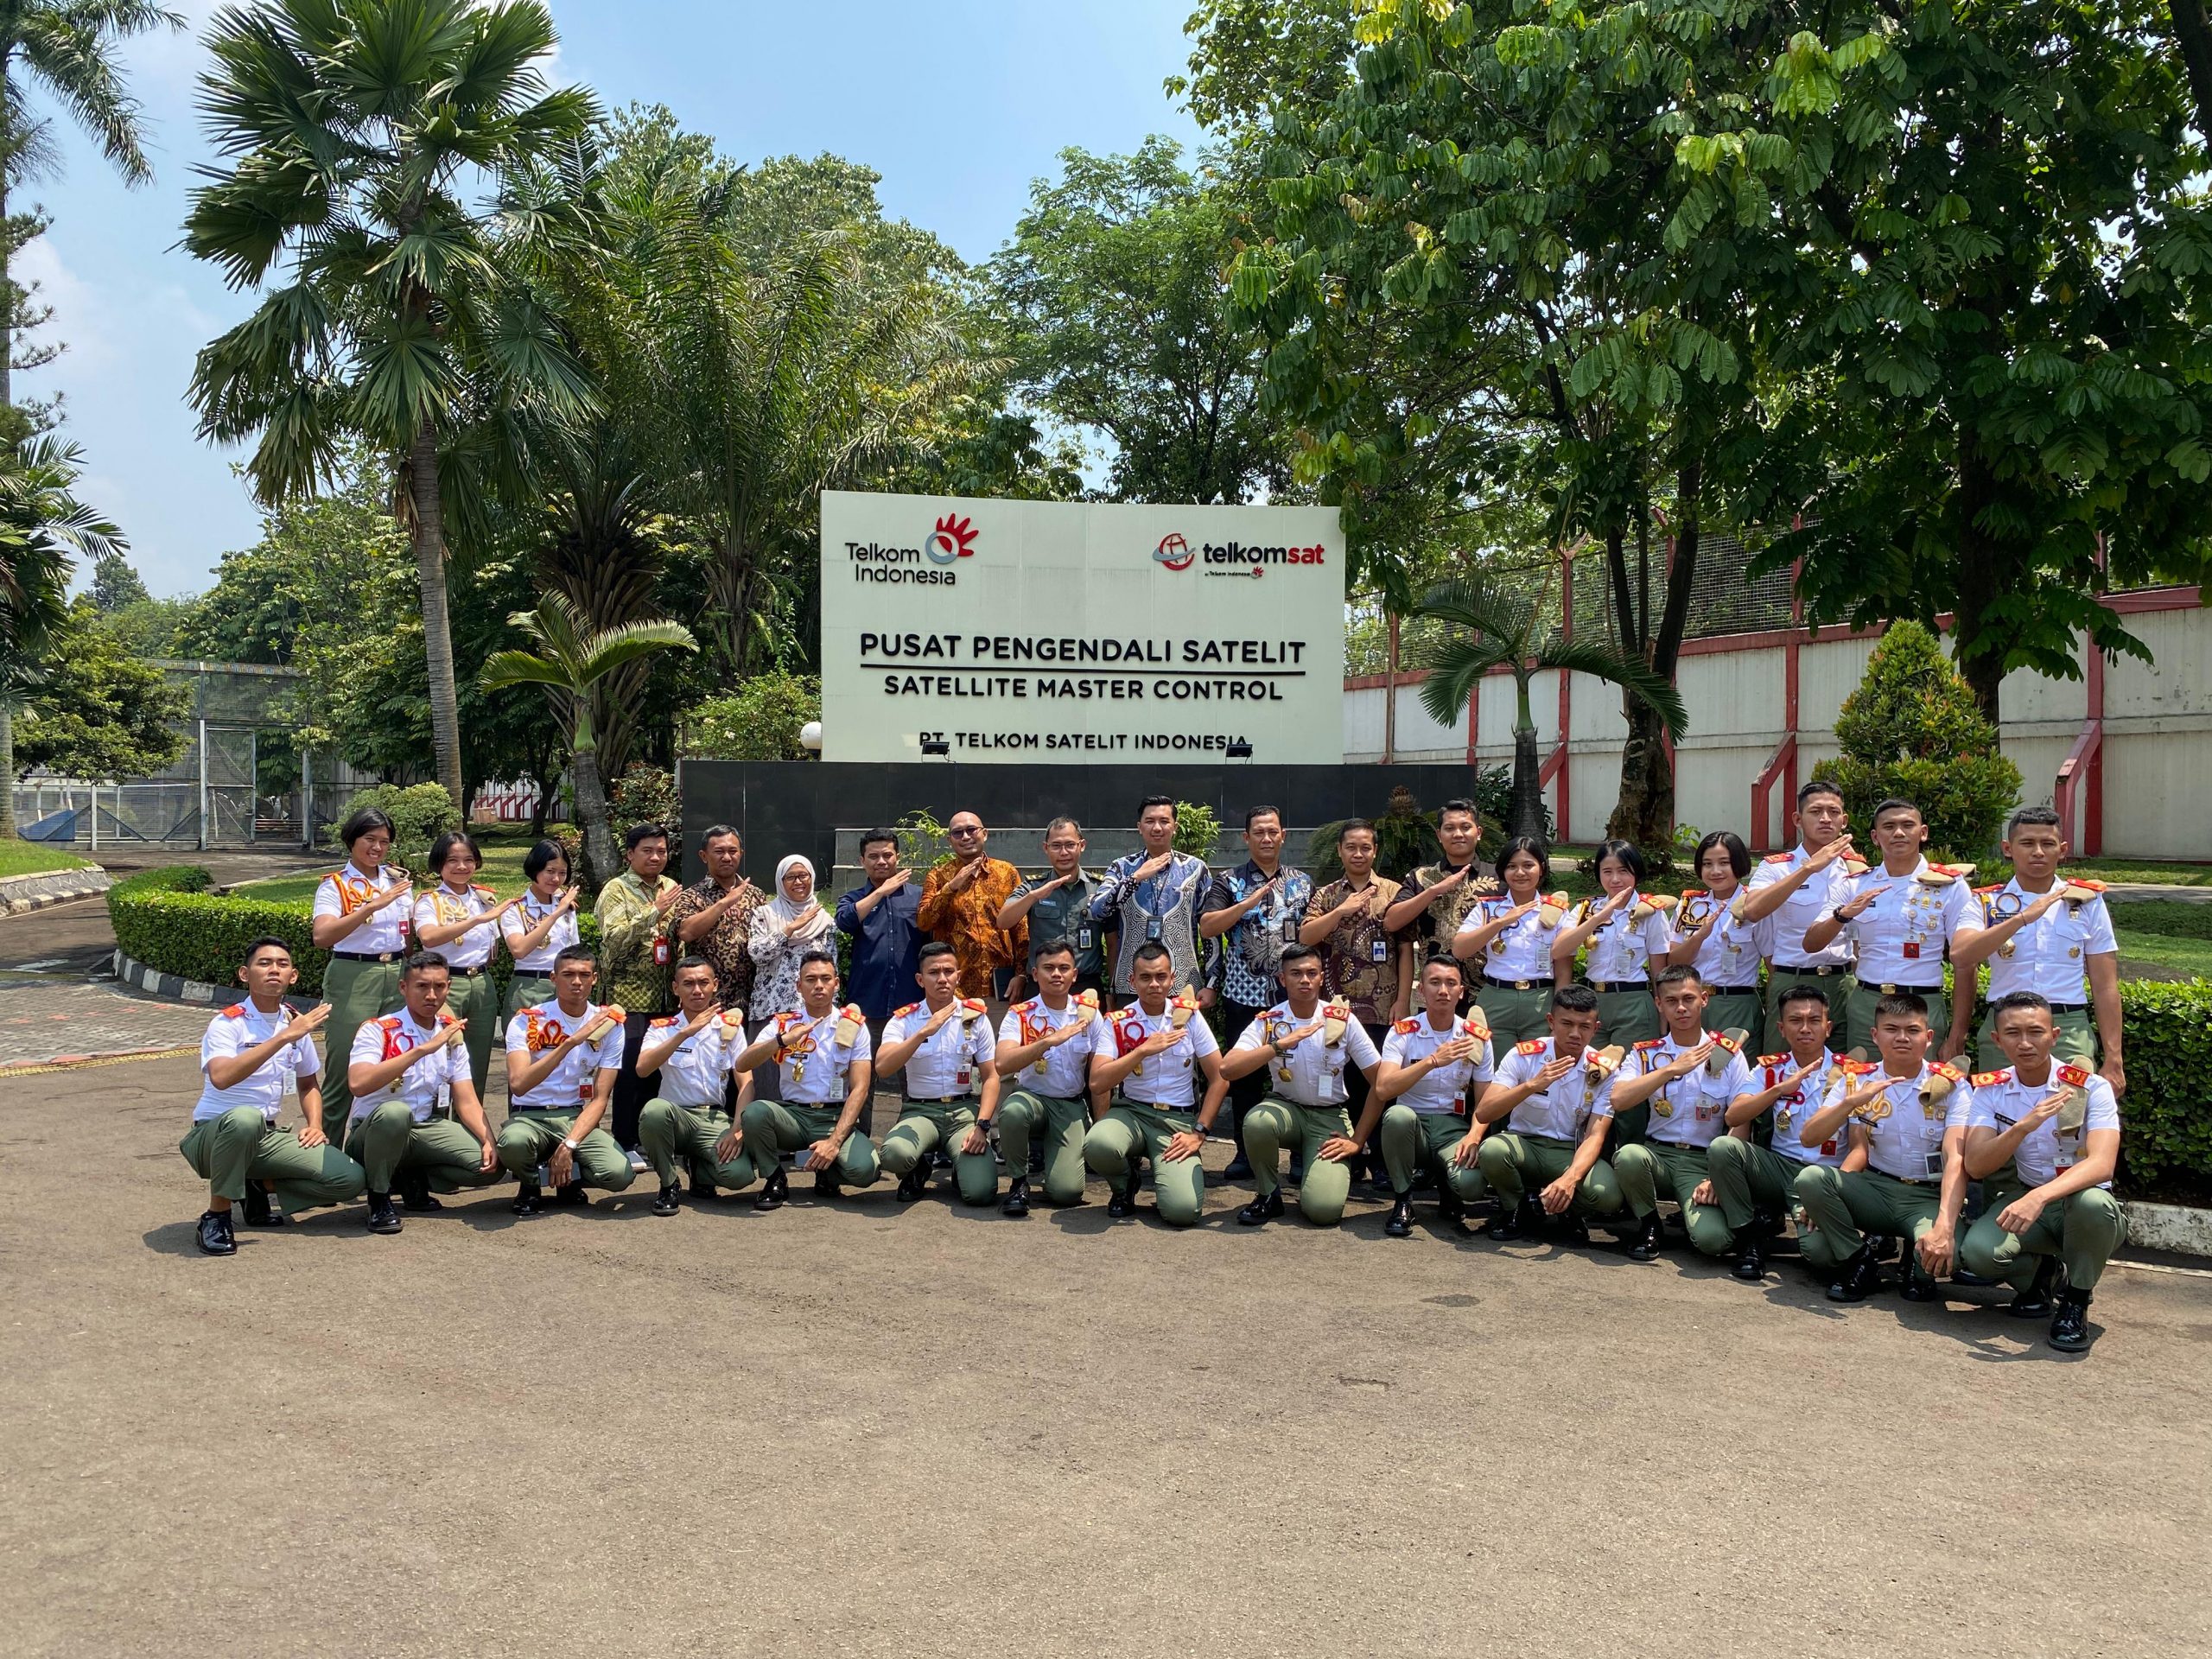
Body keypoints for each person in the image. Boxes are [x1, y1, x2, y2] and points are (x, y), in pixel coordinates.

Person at [1957, 991, 2123, 1352]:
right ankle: (2043, 1275)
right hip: (2033, 1200)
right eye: (2013, 1033)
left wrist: (2039, 1196)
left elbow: (2102, 1164)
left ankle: (2076, 1301)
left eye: (2036, 1032)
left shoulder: (2090, 1088)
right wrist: (2022, 1127)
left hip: (2081, 1204)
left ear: (2055, 1036)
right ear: (1997, 1040)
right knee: (1978, 1254)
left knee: (2093, 1205)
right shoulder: (1990, 1090)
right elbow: (1977, 1164)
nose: (2026, 1043)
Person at [181, 938, 362, 1255]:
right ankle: (217, 1216)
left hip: (264, 1134)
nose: (273, 970)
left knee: (348, 1178)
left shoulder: (294, 1023)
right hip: (214, 1135)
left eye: (282, 964)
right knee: (244, 1118)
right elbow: (222, 1077)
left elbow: (308, 1083)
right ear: (244, 974)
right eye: (264, 963)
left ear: (293, 976)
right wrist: (283, 1038)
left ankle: (257, 1186)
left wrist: (315, 1124)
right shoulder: (228, 1023)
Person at [1789, 992, 1973, 1303]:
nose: (1902, 1038)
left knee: (1933, 1268)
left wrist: (1945, 1223)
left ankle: (1913, 1259)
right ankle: (1861, 1260)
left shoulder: (1953, 1086)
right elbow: (1809, 1137)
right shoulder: (1856, 1081)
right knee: (1811, 1185)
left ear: (1928, 1038)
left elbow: (1955, 1157)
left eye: (1912, 1031)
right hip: (1875, 1187)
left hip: (1926, 1195)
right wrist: (1848, 1103)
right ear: (1875, 1035)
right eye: (1891, 1029)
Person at [1951, 805, 2123, 1089]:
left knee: (2069, 1123)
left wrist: (2114, 1058)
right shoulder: (1986, 902)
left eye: (2048, 844)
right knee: (1999, 1118)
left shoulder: (2087, 902)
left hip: (2066, 1029)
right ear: (2008, 848)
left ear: (2063, 849)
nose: (2038, 852)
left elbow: (2105, 986)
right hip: (2005, 1027)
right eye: (2027, 843)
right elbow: (1960, 955)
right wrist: (2020, 920)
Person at [1218, 942, 1380, 1230]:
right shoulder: (1270, 1021)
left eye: (1311, 973)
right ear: (1283, 979)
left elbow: (1380, 1083)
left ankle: (1314, 1175)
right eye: (1295, 973)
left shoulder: (1342, 1020)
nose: (1304, 980)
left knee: (1323, 1211)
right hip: (1287, 1111)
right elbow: (1228, 1068)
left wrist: (1358, 1140)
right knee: (1258, 1122)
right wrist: (1279, 1045)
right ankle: (1268, 1194)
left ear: (1320, 977)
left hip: (1328, 1118)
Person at [1710, 984, 1864, 1284]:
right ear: (1781, 1028)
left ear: (1828, 1027)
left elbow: (1859, 1149)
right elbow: (1734, 1115)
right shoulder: (1770, 1071)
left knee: (1821, 1255)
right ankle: (1749, 1238)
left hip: (1823, 1176)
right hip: (1778, 1168)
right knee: (1723, 1147)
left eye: (1814, 1020)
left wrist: (1832, 1193)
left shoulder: (1852, 1075)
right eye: (1795, 1021)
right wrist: (1780, 1089)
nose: (1805, 1028)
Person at [343, 950, 500, 1233]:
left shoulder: (451, 1036)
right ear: (403, 988)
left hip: (424, 1126)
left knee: (489, 1166)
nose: (431, 995)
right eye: (422, 986)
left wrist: (488, 1139)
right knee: (395, 1113)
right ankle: (378, 1199)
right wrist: (420, 1051)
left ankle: (410, 1177)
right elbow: (358, 1083)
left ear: (448, 988)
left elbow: (467, 1100)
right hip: (373, 1132)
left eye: (439, 987)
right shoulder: (379, 1030)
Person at [1802, 798, 1975, 1054]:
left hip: (1923, 1002)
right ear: (1875, 836)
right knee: (1861, 1085)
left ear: (1923, 832)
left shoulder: (1949, 885)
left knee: (1921, 1090)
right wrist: (1843, 915)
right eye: (1889, 826)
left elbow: (1965, 962)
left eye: (1908, 825)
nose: (1898, 833)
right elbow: (1811, 943)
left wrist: (1957, 1036)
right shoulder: (1855, 885)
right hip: (1867, 1004)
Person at [1606, 966, 1754, 1262]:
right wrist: (1672, 1069)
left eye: (1689, 998)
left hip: (1704, 1162)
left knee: (1713, 1241)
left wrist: (1718, 1177)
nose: (1681, 1008)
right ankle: (1650, 1225)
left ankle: (1697, 1217)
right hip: (1658, 1157)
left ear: (1704, 999)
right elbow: (1619, 1099)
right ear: (1659, 1005)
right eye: (1671, 1001)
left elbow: (1742, 1120)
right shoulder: (1646, 1054)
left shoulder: (1729, 1054)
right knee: (1629, 1156)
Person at [1201, 804, 1313, 1179]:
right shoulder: (1227, 882)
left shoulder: (1303, 883)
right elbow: (1207, 928)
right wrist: (1245, 904)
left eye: (1273, 832)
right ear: (1246, 838)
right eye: (1258, 832)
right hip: (1243, 994)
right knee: (1244, 1075)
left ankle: (1299, 1152)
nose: (1266, 838)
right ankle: (1245, 1153)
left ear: (1284, 836)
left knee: (1297, 1070)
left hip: (1293, 997)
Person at [1084, 940, 1227, 1227]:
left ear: (1172, 978)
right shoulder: (1118, 1022)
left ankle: (1168, 1181)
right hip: (1133, 1113)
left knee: (1182, 1212)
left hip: (1176, 1121)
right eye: (1146, 977)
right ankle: (1125, 1185)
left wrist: (1199, 1132)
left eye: (1161, 976)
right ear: (1132, 980)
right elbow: (1097, 1082)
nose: (1154, 984)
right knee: (1097, 1143)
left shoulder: (1190, 1018)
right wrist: (1141, 1051)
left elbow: (1220, 1077)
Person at [1300, 818, 1411, 1188]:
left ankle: (1380, 1157)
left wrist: (1403, 999)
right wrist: (1341, 911)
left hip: (1383, 1007)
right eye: (1351, 847)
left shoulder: (1395, 891)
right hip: (1337, 1008)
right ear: (1340, 851)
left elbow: (1405, 949)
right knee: (1342, 1082)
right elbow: (1306, 935)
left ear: (1374, 850)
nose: (1358, 853)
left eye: (1365, 847)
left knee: (1380, 1084)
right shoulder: (1327, 894)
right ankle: (1349, 1156)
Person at [1473, 984, 1627, 1242]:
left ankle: (1568, 1211)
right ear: (1551, 1022)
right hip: (1525, 1146)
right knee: (1492, 1151)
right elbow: (1484, 1112)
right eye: (1567, 1024)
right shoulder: (1523, 1056)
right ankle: (1515, 1208)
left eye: (1584, 1026)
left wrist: (1569, 1179)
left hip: (1569, 1151)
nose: (1575, 1034)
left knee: (1607, 1194)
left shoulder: (1604, 1071)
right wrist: (1532, 1085)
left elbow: (1595, 1136)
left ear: (1595, 1029)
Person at [730, 951, 883, 1209]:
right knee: (755, 1113)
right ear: (799, 986)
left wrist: (835, 1142)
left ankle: (827, 1173)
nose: (819, 986)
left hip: (834, 1116)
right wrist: (781, 1041)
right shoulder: (783, 1025)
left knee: (865, 1171)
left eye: (825, 979)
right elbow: (742, 1063)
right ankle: (775, 1178)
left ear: (837, 983)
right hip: (793, 1117)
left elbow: (860, 1088)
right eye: (811, 979)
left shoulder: (853, 1026)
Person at [496, 943, 636, 1216]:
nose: (577, 982)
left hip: (573, 1116)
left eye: (585, 975)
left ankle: (567, 1177)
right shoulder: (528, 1021)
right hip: (529, 1116)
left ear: (595, 979)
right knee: (512, 1143)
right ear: (553, 978)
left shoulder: (609, 1025)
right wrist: (571, 1042)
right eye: (568, 975)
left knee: (620, 1174)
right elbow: (519, 1085)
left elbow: (600, 1098)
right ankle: (530, 1184)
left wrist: (570, 1144)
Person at [1363, 954, 1493, 1237]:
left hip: (1453, 1129)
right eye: (1434, 983)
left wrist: (1474, 1137)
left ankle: (1449, 1188)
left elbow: (1484, 1102)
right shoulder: (1404, 1032)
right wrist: (1431, 1061)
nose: (1443, 990)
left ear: (1462, 992)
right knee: (1396, 1116)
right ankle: (1403, 1200)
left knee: (1471, 1186)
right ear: (1421, 990)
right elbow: (1384, 1088)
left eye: (1451, 983)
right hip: (1413, 1128)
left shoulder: (1476, 1038)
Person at [308, 806, 414, 1141]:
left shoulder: (398, 881)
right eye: (370, 839)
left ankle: (378, 1152)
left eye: (385, 841)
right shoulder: (335, 885)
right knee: (342, 1069)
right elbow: (322, 936)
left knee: (395, 1062)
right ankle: (324, 1160)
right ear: (352, 840)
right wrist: (370, 907)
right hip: (353, 974)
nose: (378, 848)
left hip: (396, 972)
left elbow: (408, 934)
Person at [874, 941, 1004, 1206]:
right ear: (920, 980)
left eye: (948, 971)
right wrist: (923, 1032)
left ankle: (962, 1166)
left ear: (958, 976)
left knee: (980, 1192)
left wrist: (982, 1126)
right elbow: (883, 1066)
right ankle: (918, 1168)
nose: (942, 979)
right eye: (934, 973)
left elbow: (991, 1077)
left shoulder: (975, 1018)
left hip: (962, 1112)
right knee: (894, 1154)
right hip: (921, 1111)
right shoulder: (904, 1020)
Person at [634, 957, 757, 1217]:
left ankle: (699, 1168)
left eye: (703, 983)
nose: (697, 990)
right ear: (675, 988)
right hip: (674, 1117)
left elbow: (745, 1081)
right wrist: (685, 1033)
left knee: (740, 1177)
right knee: (653, 1111)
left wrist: (737, 1129)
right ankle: (669, 1184)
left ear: (715, 985)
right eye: (688, 984)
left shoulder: (730, 1028)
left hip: (712, 1117)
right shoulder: (662, 1028)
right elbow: (642, 1068)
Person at [1736, 780, 1859, 1035]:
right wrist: (1808, 869)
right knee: (1782, 1065)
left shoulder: (1856, 869)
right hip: (1793, 979)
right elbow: (1752, 910)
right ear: (1798, 819)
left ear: (1844, 820)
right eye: (1816, 812)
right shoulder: (1777, 867)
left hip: (1841, 982)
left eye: (1834, 812)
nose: (1826, 819)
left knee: (1843, 1068)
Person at [992, 939, 1100, 1215]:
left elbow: (1101, 1071)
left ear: (1074, 975)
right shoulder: (1020, 1014)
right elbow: (1003, 1063)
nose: (1056, 974)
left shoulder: (1088, 1014)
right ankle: (1018, 1182)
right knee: (1013, 1111)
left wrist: (1102, 1124)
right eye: (1048, 968)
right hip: (1033, 1100)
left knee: (1067, 1193)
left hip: (1070, 1105)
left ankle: (1056, 1166)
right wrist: (1046, 1042)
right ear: (1034, 974)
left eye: (1064, 968)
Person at [594, 823, 681, 1154]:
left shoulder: (671, 886)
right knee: (629, 1070)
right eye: (647, 850)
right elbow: (612, 938)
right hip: (627, 998)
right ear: (630, 854)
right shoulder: (616, 890)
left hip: (665, 996)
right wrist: (653, 912)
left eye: (661, 850)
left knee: (659, 1068)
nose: (656, 857)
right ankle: (625, 1138)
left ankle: (651, 1136)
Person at [410, 830, 514, 1096]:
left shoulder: (484, 898)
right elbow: (429, 937)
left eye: (468, 859)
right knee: (443, 1058)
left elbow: (493, 948)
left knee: (477, 1061)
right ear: (439, 864)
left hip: (481, 983)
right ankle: (440, 1124)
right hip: (445, 986)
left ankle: (471, 1127)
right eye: (452, 860)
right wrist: (476, 921)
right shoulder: (430, 901)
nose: (461, 866)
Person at [1091, 796, 1214, 1004]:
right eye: (1150, 821)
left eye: (1164, 821)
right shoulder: (1122, 867)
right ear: (1139, 827)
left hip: (1183, 983)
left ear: (1175, 827)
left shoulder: (1196, 868)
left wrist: (1211, 983)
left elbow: (1210, 930)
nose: (1157, 827)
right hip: (1130, 982)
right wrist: (1135, 878)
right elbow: (1097, 909)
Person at [1550, 838, 1670, 1048]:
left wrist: (1663, 1015)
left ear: (1636, 872)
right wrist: (1599, 917)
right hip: (1590, 1003)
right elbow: (1559, 950)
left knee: (1629, 1073)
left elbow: (1658, 969)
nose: (1615, 879)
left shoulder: (1651, 912)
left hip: (1633, 1002)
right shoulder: (1586, 909)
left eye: (1623, 871)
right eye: (1607, 871)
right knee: (1589, 1072)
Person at [1666, 830, 1770, 1060]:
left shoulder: (1755, 905)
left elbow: (1771, 964)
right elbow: (1673, 962)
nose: (1715, 871)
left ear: (1739, 863)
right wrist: (1699, 936)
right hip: (1693, 1004)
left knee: (1737, 1075)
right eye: (1707, 864)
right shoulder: (1690, 905)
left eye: (1724, 863)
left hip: (1737, 1004)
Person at [1453, 835, 1560, 1046]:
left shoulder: (1555, 911)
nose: (1520, 873)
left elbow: (1564, 968)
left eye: (1528, 865)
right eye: (1512, 866)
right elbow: (1459, 949)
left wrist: (1560, 1010)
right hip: (1497, 997)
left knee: (1538, 1068)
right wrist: (1499, 923)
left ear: (1542, 868)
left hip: (1541, 999)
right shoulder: (1488, 909)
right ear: (1502, 871)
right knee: (1495, 1069)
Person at [1383, 797, 1500, 988]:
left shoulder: (1498, 877)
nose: (1458, 834)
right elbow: (1391, 921)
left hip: (1488, 991)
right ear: (1439, 835)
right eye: (1449, 828)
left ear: (1478, 833)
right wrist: (1433, 891)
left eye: (1465, 827)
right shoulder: (1421, 876)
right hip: (1435, 990)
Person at [916, 810, 1026, 1001]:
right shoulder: (939, 875)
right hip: (955, 988)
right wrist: (952, 887)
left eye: (971, 830)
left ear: (985, 833)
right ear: (949, 840)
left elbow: (1021, 927)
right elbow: (924, 922)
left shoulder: (1006, 872)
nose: (966, 837)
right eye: (958, 833)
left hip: (1001, 985)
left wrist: (1021, 974)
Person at [997, 817, 1109, 995]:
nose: (1063, 852)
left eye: (1070, 845)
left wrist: (1111, 991)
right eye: (1056, 846)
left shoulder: (1100, 888)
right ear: (1046, 848)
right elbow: (1003, 921)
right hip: (1041, 986)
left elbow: (1112, 942)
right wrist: (1034, 896)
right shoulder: (1033, 886)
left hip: (1086, 986)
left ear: (1082, 845)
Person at [670, 823, 766, 1014]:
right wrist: (725, 902)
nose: (727, 857)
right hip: (709, 1002)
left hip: (754, 999)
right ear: (703, 856)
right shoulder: (691, 896)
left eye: (733, 851)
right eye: (719, 851)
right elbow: (686, 932)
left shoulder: (756, 895)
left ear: (741, 853)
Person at [836, 828, 925, 1033]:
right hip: (868, 1004)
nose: (881, 861)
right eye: (873, 856)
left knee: (913, 1064)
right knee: (868, 1064)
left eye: (887, 855)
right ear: (862, 861)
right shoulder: (853, 898)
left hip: (912, 1003)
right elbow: (845, 921)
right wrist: (881, 893)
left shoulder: (919, 897)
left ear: (897, 857)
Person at [499, 838, 582, 1020]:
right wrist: (555, 915)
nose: (556, 879)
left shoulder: (566, 906)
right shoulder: (516, 909)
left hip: (565, 986)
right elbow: (518, 950)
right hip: (530, 987)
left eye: (562, 873)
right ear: (535, 869)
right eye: (550, 871)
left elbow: (574, 951)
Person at [749, 855, 838, 1018]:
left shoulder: (824, 920)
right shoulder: (765, 914)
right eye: (790, 877)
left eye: (803, 876)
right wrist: (790, 928)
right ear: (780, 882)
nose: (798, 882)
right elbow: (758, 955)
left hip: (813, 1009)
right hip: (771, 1007)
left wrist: (832, 1007)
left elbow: (832, 967)